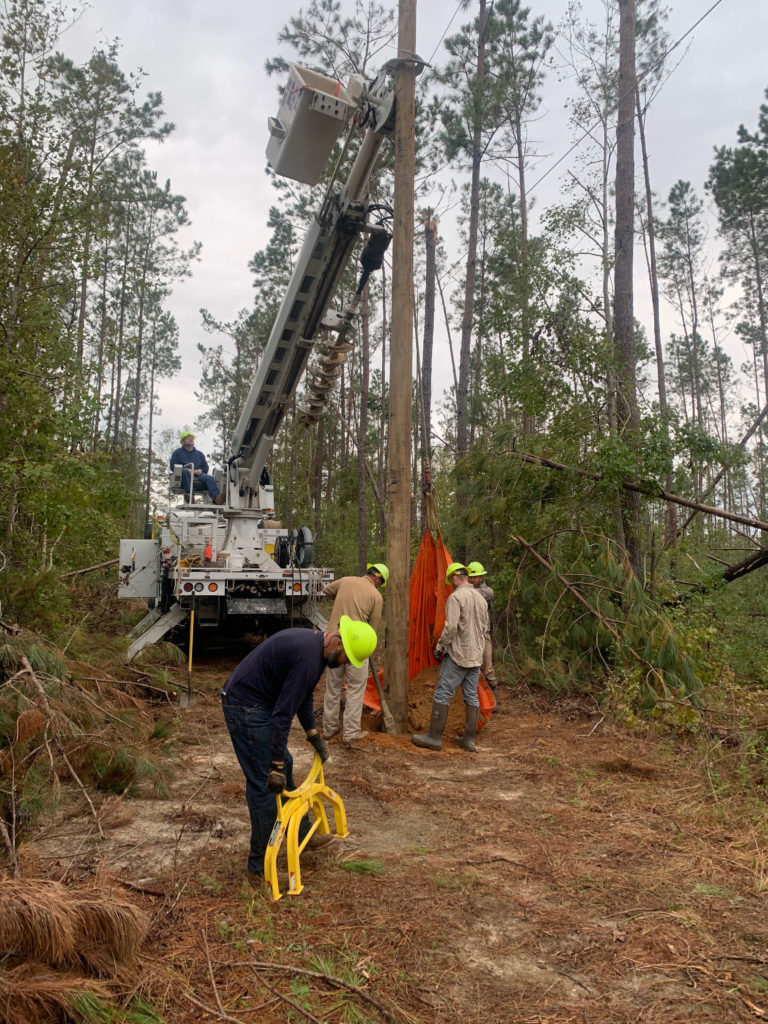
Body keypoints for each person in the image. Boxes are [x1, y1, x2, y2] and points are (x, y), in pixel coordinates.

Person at [221, 616, 377, 886]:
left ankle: (304, 835)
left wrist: (313, 735)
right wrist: (276, 765)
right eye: (347, 658)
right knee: (264, 786)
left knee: (287, 765)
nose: (345, 665)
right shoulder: (308, 658)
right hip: (246, 707)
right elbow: (283, 714)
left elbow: (302, 697)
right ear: (336, 642)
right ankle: (258, 872)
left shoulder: (314, 649)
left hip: (256, 703)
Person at [412, 562, 489, 753]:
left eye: (450, 580)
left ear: (455, 577)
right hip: (476, 656)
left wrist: (441, 645)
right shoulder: (481, 599)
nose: (451, 583)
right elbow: (485, 628)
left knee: (443, 693)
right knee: (471, 695)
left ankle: (434, 737)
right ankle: (469, 740)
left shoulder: (456, 598)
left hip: (458, 655)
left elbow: (451, 628)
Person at [321, 563, 387, 746]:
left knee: (333, 686)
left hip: (334, 641)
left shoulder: (346, 581)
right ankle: (350, 733)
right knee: (356, 689)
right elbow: (372, 631)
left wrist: (341, 598)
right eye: (381, 583)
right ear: (378, 579)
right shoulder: (376, 596)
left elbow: (326, 590)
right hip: (357, 646)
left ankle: (329, 729)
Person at [467, 561, 500, 711]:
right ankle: (477, 700)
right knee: (473, 667)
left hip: (483, 634)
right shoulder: (466, 591)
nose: (471, 580)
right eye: (469, 577)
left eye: (474, 577)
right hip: (469, 635)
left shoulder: (486, 592)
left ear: (481, 577)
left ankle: (492, 700)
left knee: (488, 666)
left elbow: (484, 594)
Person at [169, 431, 224, 505]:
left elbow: (205, 468)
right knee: (185, 472)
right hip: (184, 477)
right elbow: (173, 467)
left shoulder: (199, 454)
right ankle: (190, 496)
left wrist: (201, 470)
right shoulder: (177, 453)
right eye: (188, 438)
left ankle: (216, 498)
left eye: (192, 438)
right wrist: (187, 470)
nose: (191, 439)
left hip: (199, 476)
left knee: (209, 478)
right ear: (183, 441)